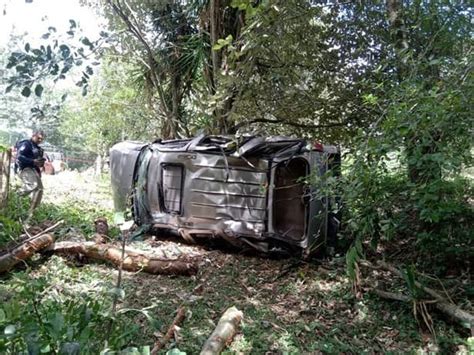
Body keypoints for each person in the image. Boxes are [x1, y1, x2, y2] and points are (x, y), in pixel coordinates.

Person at [15, 130, 46, 221]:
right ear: (33, 135)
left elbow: (37, 161)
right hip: (25, 169)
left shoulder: (38, 148)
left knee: (39, 189)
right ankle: (16, 196)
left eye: (42, 139)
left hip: (33, 170)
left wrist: (40, 163)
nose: (40, 140)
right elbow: (19, 157)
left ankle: (31, 213)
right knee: (32, 185)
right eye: (38, 138)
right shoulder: (26, 144)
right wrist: (32, 161)